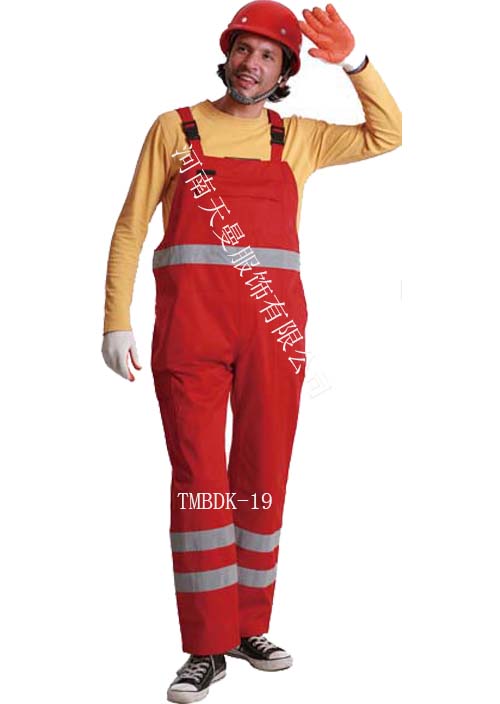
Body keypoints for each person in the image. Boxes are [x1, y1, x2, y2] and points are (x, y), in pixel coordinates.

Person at [101, 2, 402, 701]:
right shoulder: (174, 128)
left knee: (263, 473)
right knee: (201, 481)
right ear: (227, 52)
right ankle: (204, 647)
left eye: (269, 55)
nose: (252, 64)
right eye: (244, 49)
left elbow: (387, 133)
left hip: (275, 330)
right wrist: (116, 319)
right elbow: (130, 225)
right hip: (190, 332)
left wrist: (355, 62)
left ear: (285, 71)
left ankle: (246, 627)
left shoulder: (297, 138)